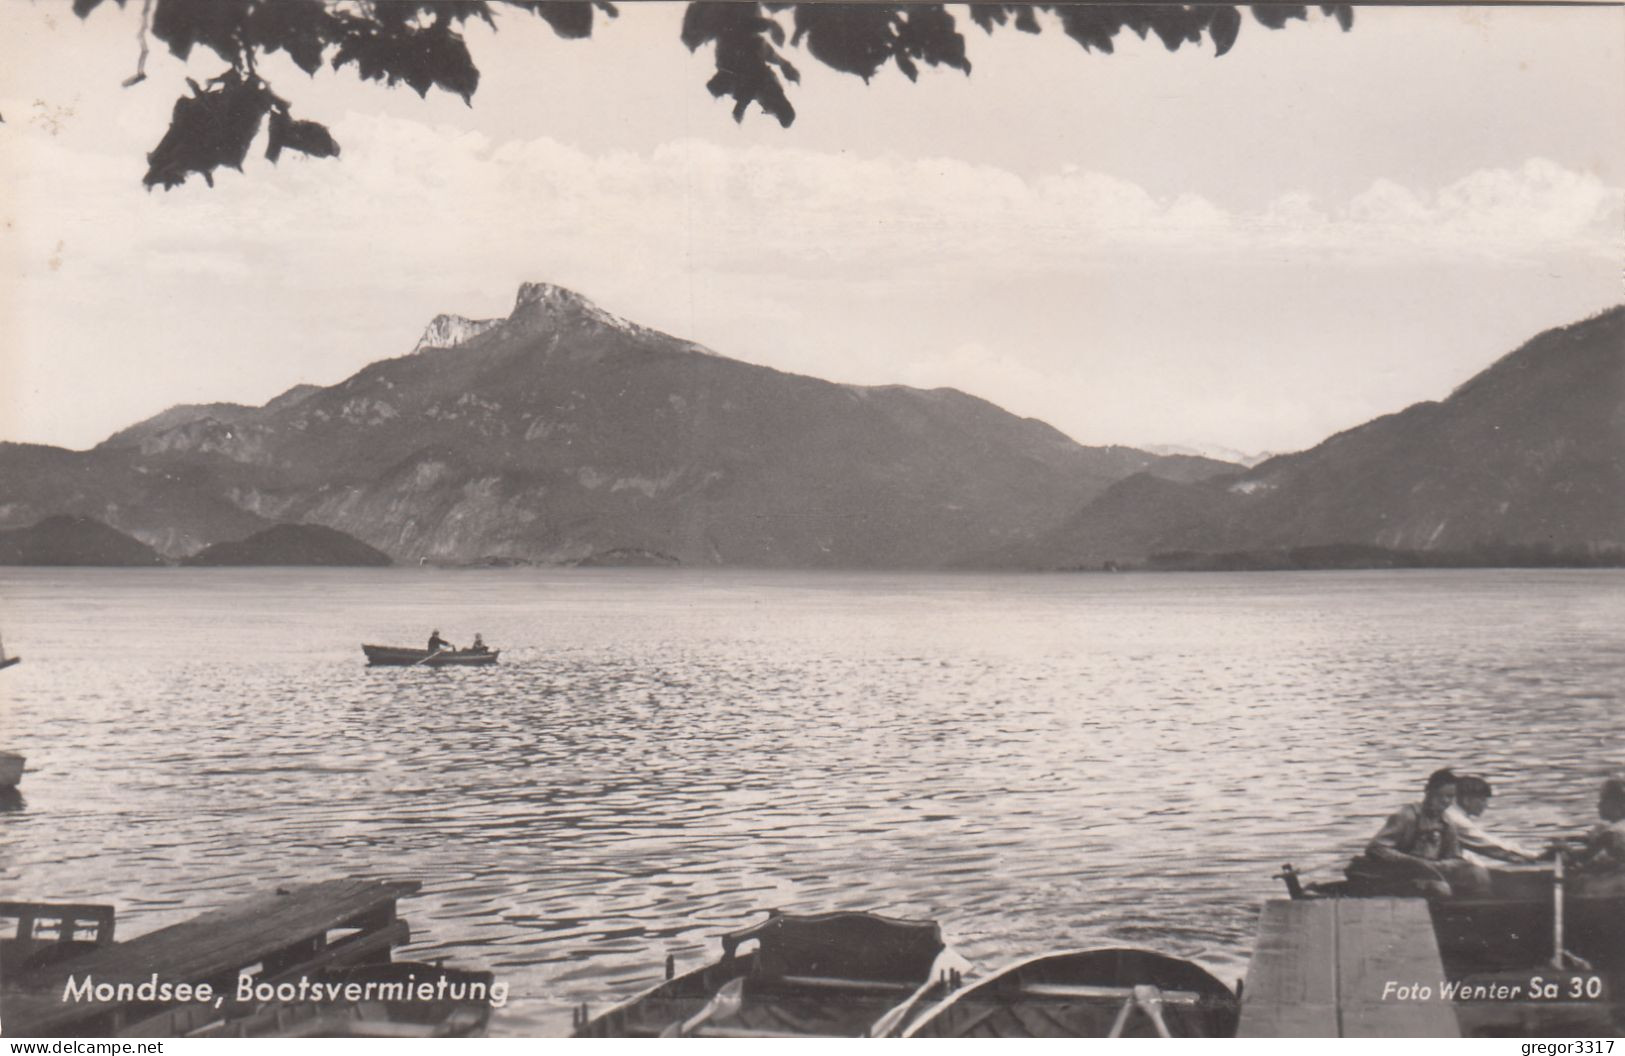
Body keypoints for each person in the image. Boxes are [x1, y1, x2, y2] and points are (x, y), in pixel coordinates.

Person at [1345, 768, 1491, 898]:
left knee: (1478, 874)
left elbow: (1455, 857)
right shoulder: (1407, 816)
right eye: (1440, 796)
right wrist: (1415, 862)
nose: (1445, 801)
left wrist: (1442, 865)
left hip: (1431, 872)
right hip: (1398, 874)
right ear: (1428, 792)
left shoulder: (1447, 823)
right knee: (1440, 889)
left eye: (1450, 797)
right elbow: (1376, 848)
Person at [1444, 775, 1537, 865]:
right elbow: (1488, 845)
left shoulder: (1452, 813)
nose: (1486, 805)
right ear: (1466, 800)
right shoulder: (1456, 819)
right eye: (1483, 800)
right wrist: (1532, 855)